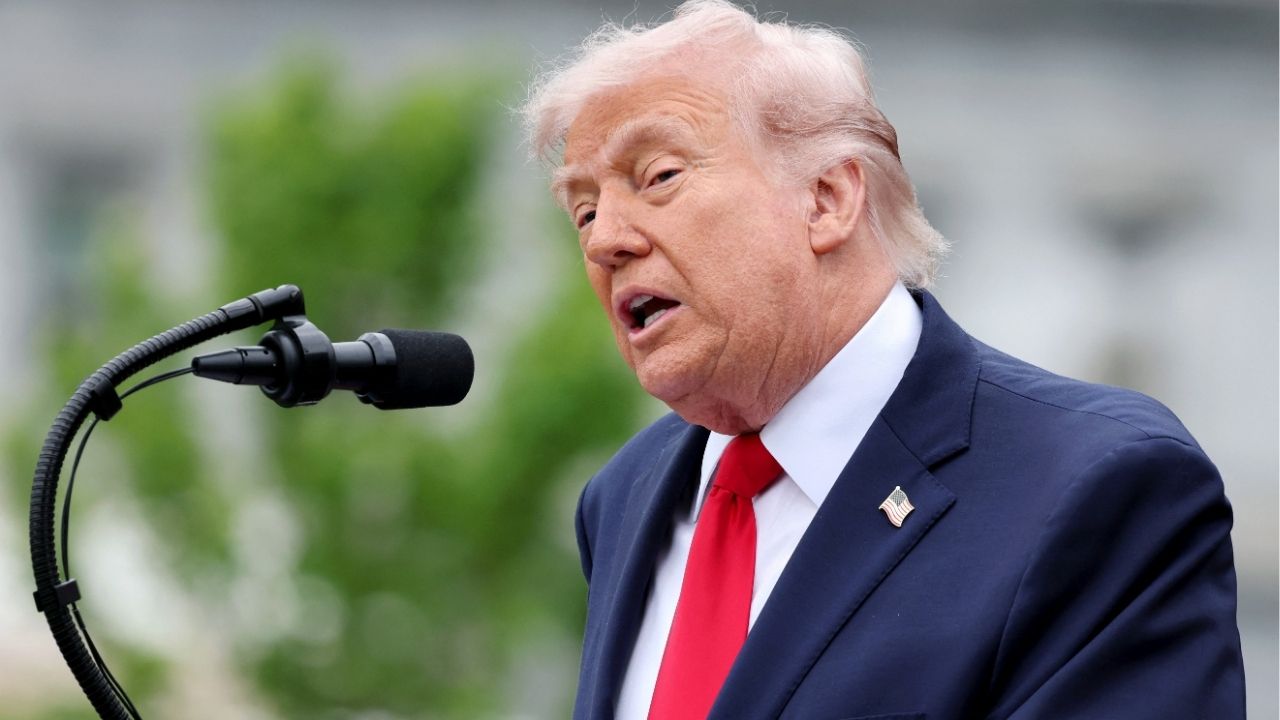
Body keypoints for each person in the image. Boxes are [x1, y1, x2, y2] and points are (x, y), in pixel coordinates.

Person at [520, 1, 1246, 718]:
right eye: (582, 209)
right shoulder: (625, 495)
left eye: (658, 176)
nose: (604, 239)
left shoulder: (1098, 482)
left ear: (827, 199)